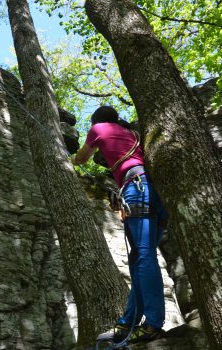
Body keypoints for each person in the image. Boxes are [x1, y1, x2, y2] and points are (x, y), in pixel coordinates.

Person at [71, 106, 167, 343]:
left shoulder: (98, 129)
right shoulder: (132, 133)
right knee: (139, 259)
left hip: (136, 187)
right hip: (155, 192)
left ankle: (153, 323)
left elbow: (82, 158)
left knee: (143, 256)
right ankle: (127, 323)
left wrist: (70, 159)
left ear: (96, 120)